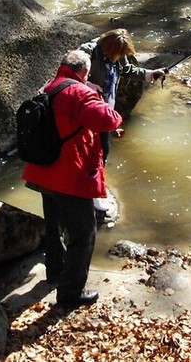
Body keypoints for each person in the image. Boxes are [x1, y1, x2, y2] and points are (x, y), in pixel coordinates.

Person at [22, 50, 123, 307]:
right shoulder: (80, 92)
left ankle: (55, 273)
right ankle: (70, 294)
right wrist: (95, 93)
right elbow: (111, 119)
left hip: (43, 171)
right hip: (68, 175)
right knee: (84, 234)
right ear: (83, 72)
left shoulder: (47, 87)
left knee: (54, 226)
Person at [79, 28, 166, 162]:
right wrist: (89, 85)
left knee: (103, 152)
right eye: (117, 54)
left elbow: (128, 70)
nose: (119, 58)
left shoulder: (118, 54)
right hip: (88, 110)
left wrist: (151, 74)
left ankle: (98, 179)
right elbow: (71, 77)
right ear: (108, 48)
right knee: (86, 151)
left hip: (106, 111)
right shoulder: (87, 52)